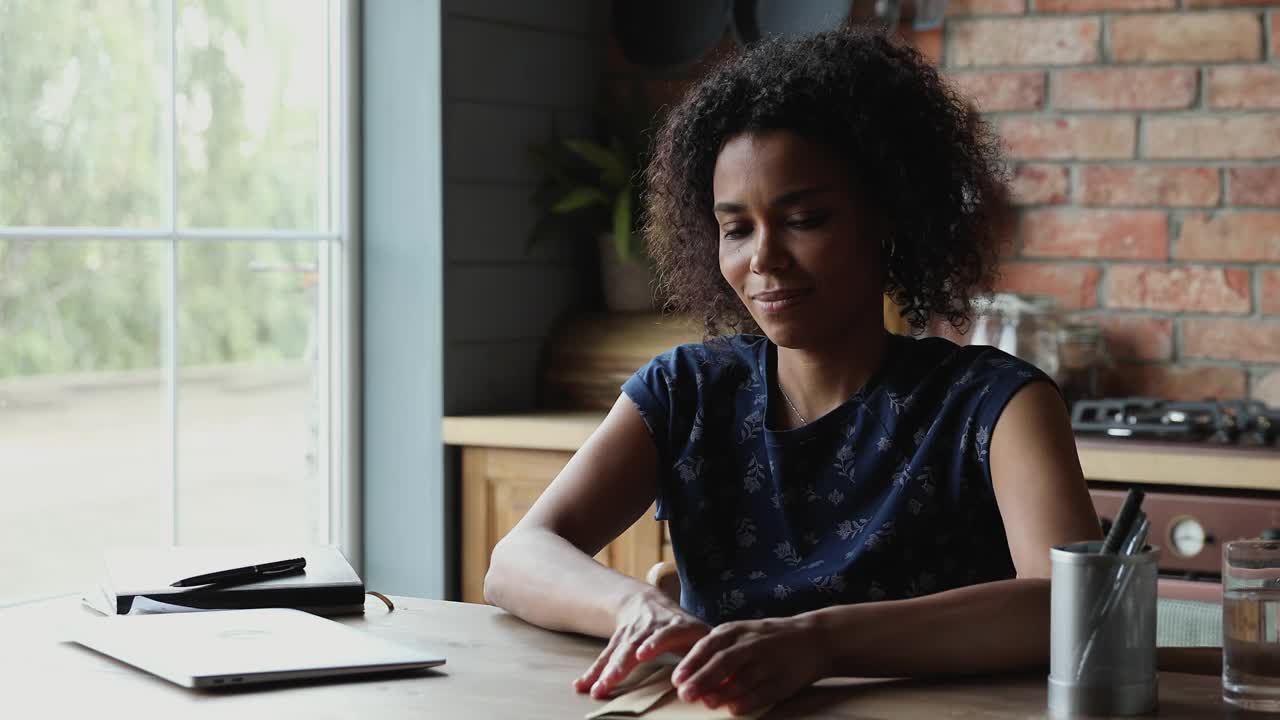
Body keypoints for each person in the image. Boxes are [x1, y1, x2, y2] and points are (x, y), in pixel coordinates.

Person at [484, 28, 1102, 717]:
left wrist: (820, 643)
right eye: (737, 229)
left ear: (886, 219)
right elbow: (516, 560)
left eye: (804, 219)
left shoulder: (995, 404)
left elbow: (1069, 606)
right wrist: (637, 607)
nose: (763, 260)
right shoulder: (685, 392)